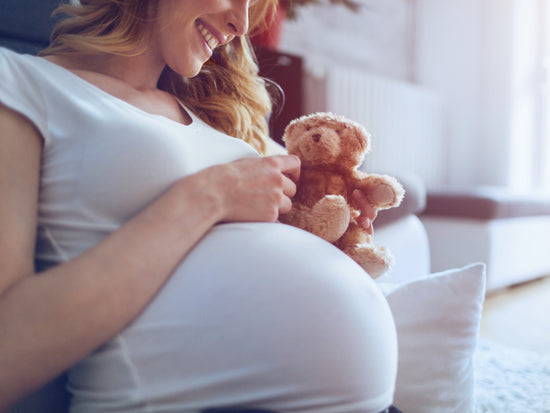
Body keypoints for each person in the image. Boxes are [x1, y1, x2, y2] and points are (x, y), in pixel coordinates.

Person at [0, 0, 399, 412]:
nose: (241, 23)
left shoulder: (211, 113)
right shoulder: (20, 81)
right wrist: (208, 196)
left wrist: (331, 225)